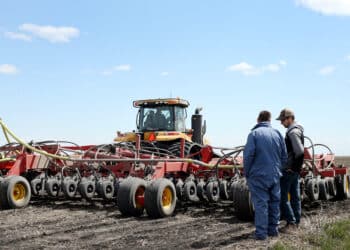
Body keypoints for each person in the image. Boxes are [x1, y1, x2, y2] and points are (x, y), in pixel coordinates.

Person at [244, 111, 288, 240]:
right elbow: (284, 156)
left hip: (258, 176)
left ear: (258, 119)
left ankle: (261, 234)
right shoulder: (277, 133)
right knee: (274, 202)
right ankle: (273, 231)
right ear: (269, 120)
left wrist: (247, 173)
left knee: (261, 204)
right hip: (275, 175)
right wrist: (278, 169)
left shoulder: (254, 134)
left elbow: (248, 156)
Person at [276, 108, 304, 231]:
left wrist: (293, 168)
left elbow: (300, 152)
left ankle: (291, 223)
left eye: (283, 120)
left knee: (282, 197)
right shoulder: (297, 130)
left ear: (289, 118)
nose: (281, 123)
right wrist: (297, 169)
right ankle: (296, 222)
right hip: (294, 171)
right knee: (294, 197)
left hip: (289, 171)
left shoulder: (292, 132)